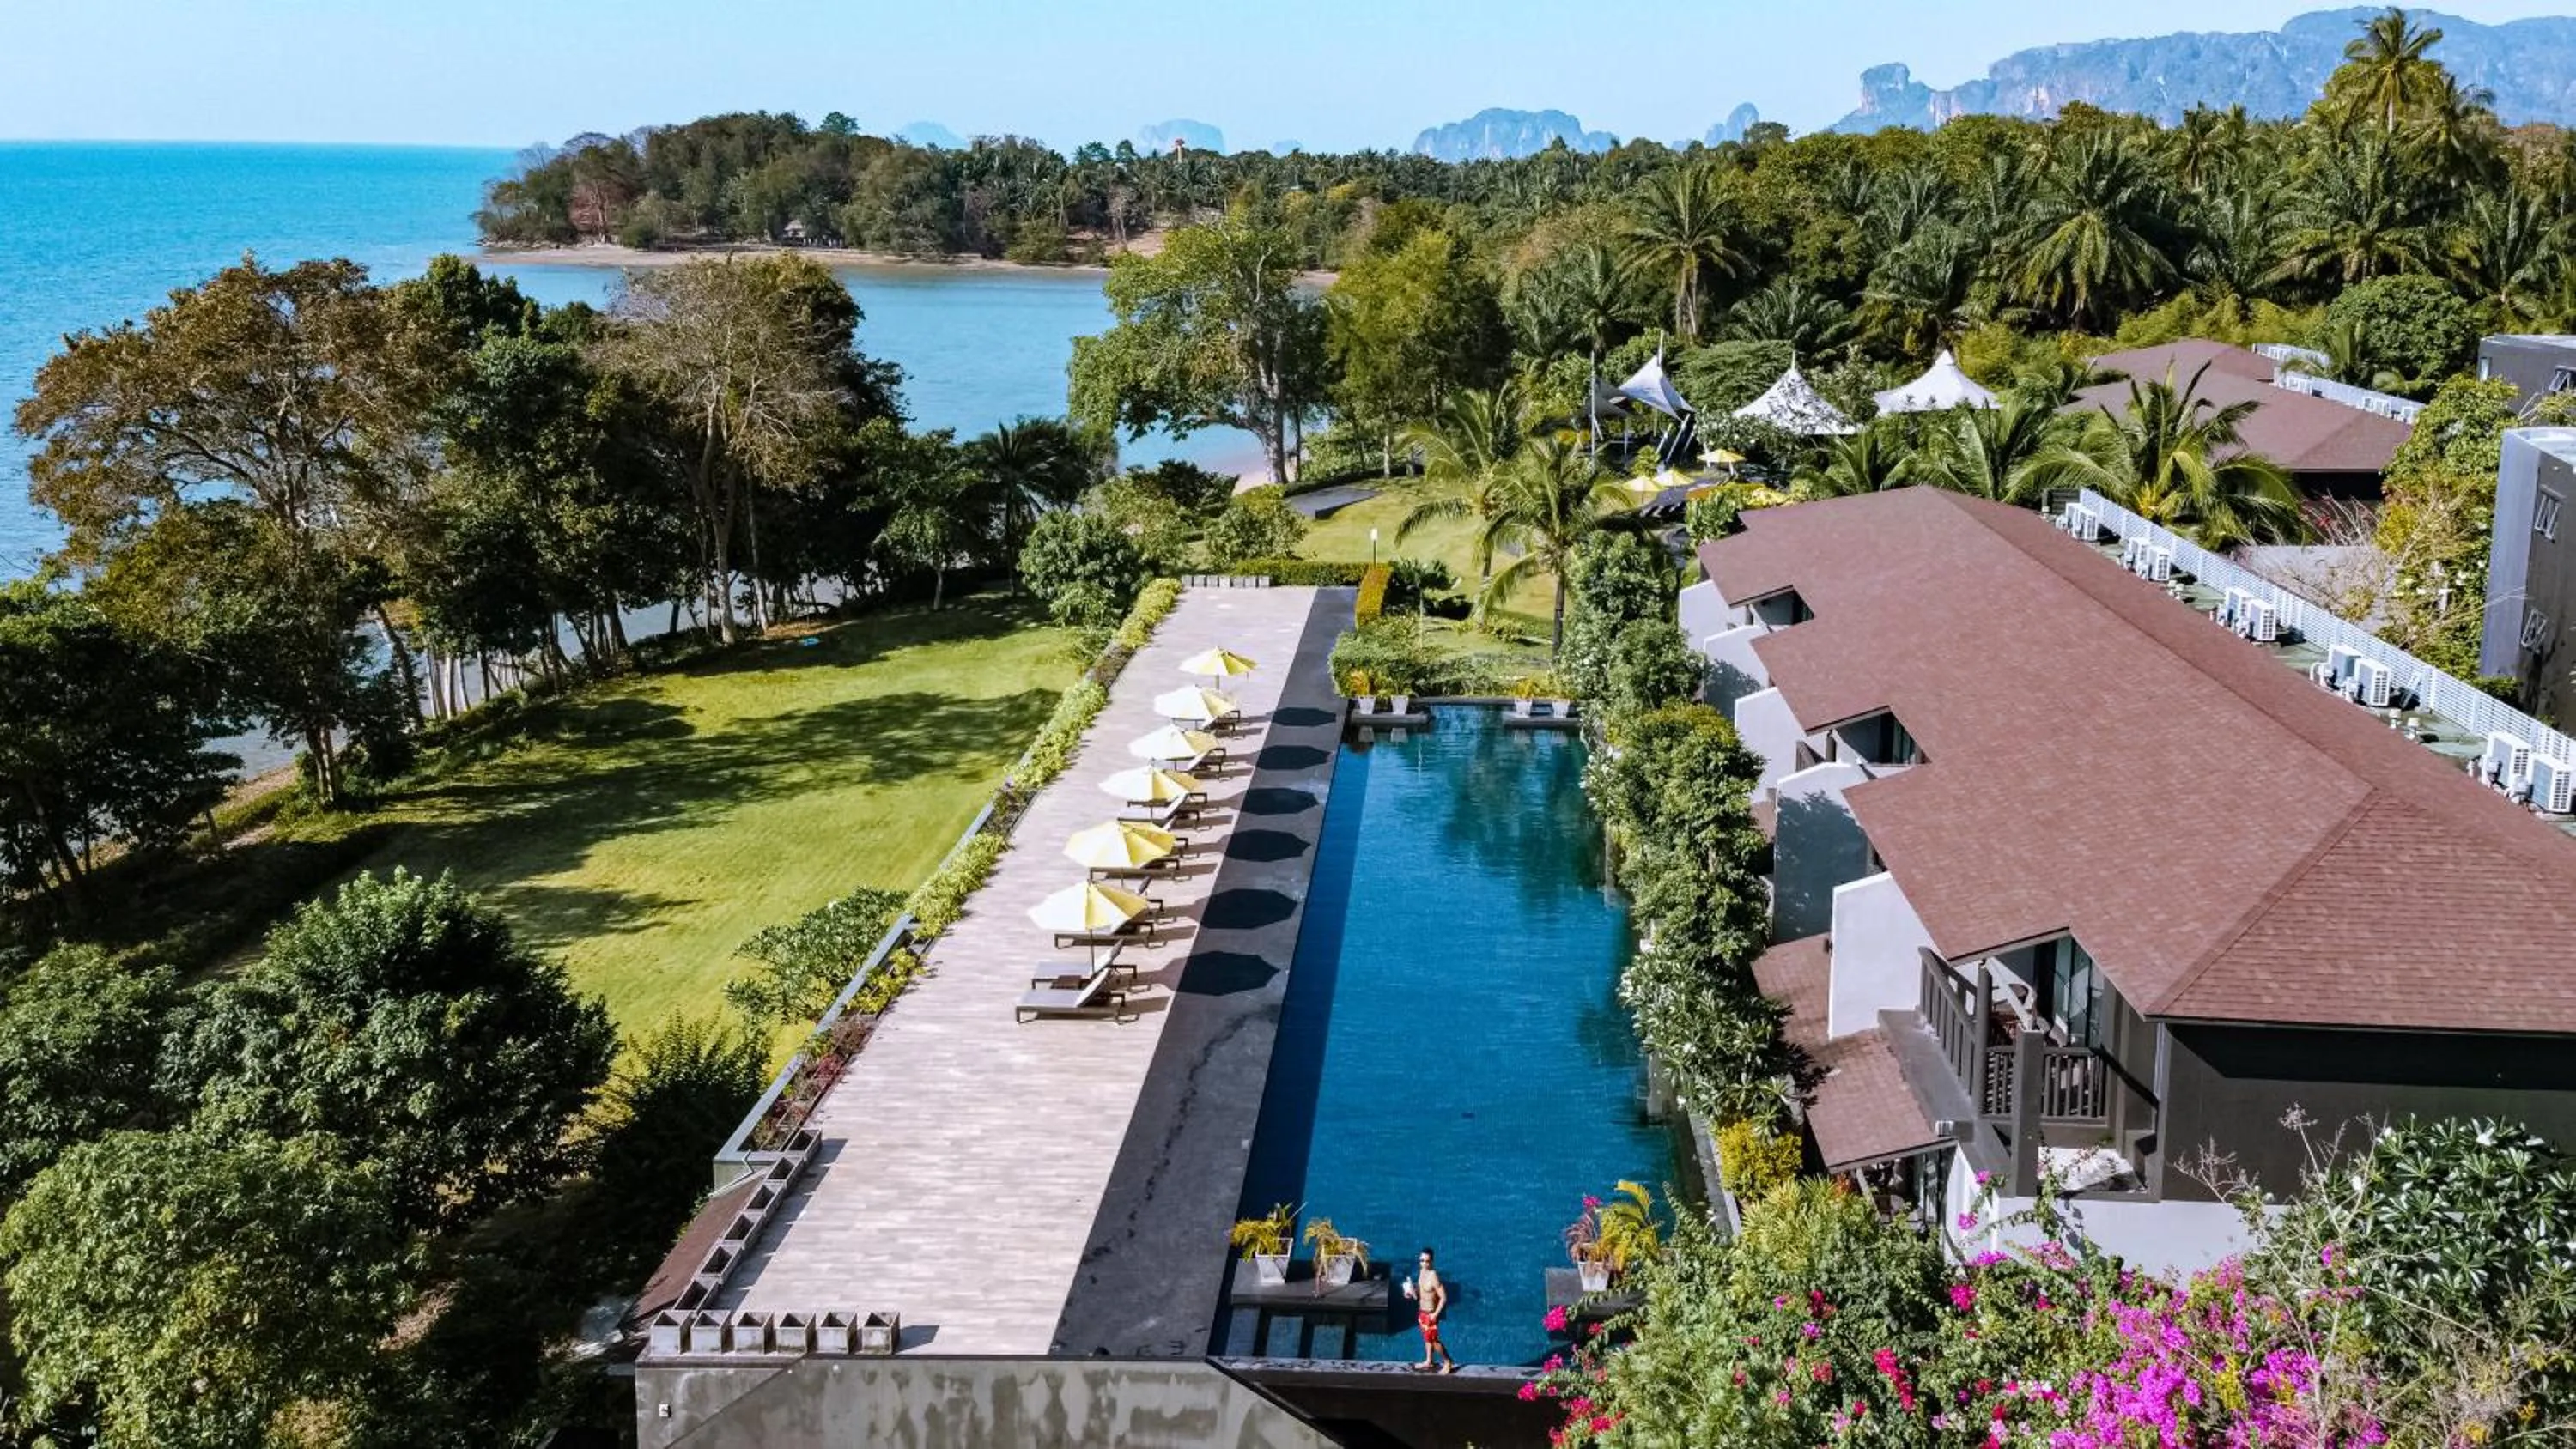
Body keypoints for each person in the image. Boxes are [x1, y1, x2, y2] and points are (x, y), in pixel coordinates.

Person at [1405, 1246, 1455, 1373]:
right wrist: (1411, 1291)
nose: (1424, 1264)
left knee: (1434, 1341)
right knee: (1427, 1338)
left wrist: (1435, 1314)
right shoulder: (1422, 1272)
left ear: (1432, 1261)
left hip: (1431, 1313)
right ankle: (1429, 1360)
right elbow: (1421, 1289)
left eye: (1427, 1261)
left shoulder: (1434, 1276)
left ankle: (1448, 1361)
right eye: (1422, 1261)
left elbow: (1443, 1297)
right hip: (1422, 1311)